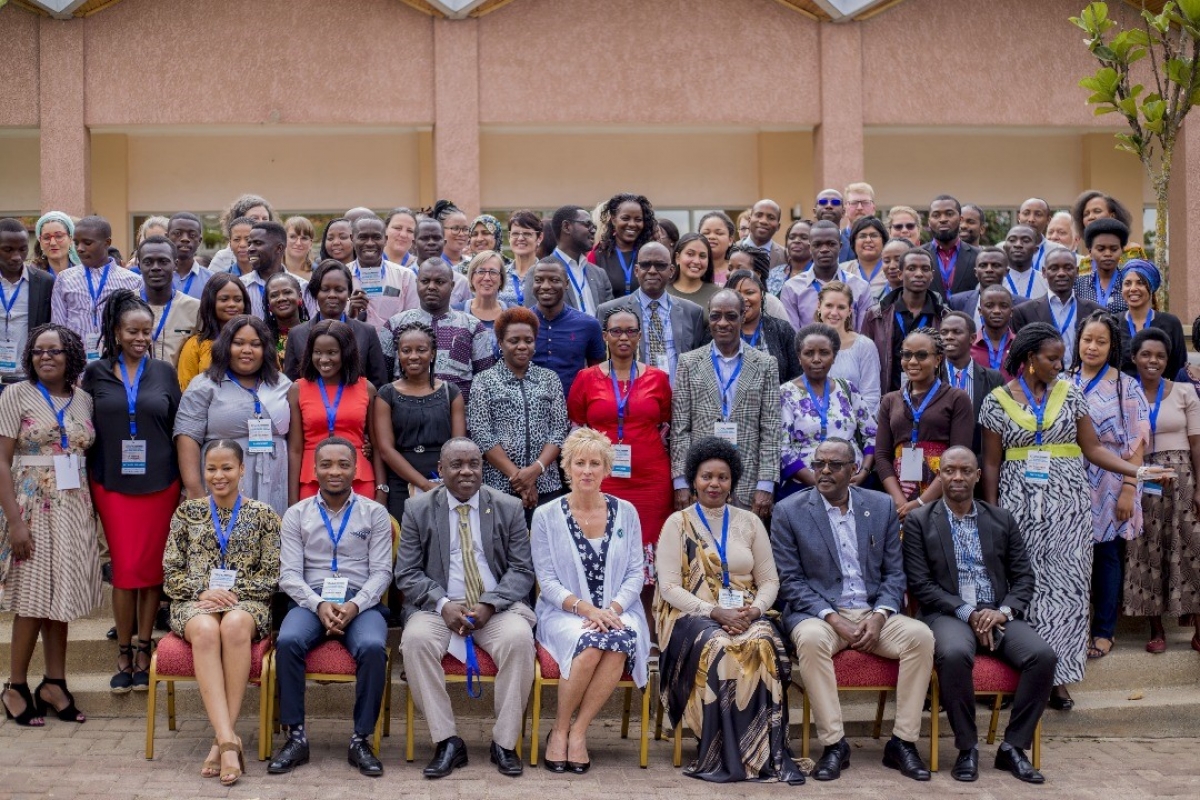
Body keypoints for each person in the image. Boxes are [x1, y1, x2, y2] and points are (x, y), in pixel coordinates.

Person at [980, 323, 1171, 711]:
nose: (1060, 366)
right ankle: (1017, 678)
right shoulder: (996, 400)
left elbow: (1094, 449)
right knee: (1022, 591)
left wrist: (1137, 473)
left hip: (1068, 505)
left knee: (1066, 594)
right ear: (1030, 359)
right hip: (1019, 506)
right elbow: (990, 463)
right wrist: (993, 512)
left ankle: (1059, 680)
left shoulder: (1071, 396)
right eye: (1052, 359)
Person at [773, 437, 935, 782]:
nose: (824, 471)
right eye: (819, 464)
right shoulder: (789, 511)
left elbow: (895, 572)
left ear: (853, 470)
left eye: (834, 465)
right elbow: (790, 582)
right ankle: (834, 745)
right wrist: (833, 619)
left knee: (921, 636)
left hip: (873, 612)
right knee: (812, 640)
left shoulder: (880, 507)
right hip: (819, 614)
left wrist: (880, 616)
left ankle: (903, 742)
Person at [902, 446, 1057, 784]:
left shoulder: (1000, 518)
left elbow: (1024, 577)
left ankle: (1013, 748)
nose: (957, 477)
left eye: (964, 470)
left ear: (977, 475)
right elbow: (921, 584)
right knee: (954, 654)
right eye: (949, 470)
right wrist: (970, 613)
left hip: (998, 614)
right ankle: (967, 747)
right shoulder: (918, 521)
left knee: (1042, 657)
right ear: (939, 475)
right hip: (947, 613)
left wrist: (1001, 612)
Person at [654, 437, 804, 784]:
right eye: (707, 476)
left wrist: (755, 612)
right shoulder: (676, 524)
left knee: (763, 643)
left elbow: (769, 581)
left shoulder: (750, 522)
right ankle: (722, 749)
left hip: (745, 612)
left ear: (732, 481)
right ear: (694, 479)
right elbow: (669, 588)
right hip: (690, 615)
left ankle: (760, 750)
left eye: (722, 477)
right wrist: (714, 612)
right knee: (720, 646)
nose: (714, 484)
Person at [395, 438, 537, 779]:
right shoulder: (419, 509)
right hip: (438, 607)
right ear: (441, 470)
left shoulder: (507, 506)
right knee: (414, 642)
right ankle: (447, 741)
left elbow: (521, 571)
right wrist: (443, 604)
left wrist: (490, 604)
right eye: (456, 464)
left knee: (519, 640)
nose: (466, 471)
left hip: (495, 608)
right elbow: (407, 573)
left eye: (474, 463)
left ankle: (504, 743)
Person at [268, 436, 393, 778]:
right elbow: (289, 575)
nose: (334, 471)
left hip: (360, 600)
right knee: (289, 641)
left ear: (356, 469)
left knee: (371, 647)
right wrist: (319, 603)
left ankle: (360, 739)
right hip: (311, 599)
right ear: (314, 470)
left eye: (342, 464)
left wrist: (353, 605)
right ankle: (296, 738)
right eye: (326, 464)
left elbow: (382, 572)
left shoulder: (375, 514)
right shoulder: (296, 515)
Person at [161, 440, 281, 786]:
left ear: (242, 469)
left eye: (227, 467)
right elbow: (170, 572)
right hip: (194, 601)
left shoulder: (263, 515)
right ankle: (229, 739)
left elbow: (272, 575)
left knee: (234, 625)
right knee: (206, 630)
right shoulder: (187, 513)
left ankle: (221, 742)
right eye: (211, 468)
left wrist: (233, 594)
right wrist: (203, 590)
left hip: (247, 602)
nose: (219, 475)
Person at [531, 428, 651, 772]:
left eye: (595, 463)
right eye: (579, 463)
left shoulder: (626, 511)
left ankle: (577, 732)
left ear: (606, 469)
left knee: (618, 640)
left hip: (619, 611)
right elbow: (547, 581)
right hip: (564, 612)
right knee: (591, 644)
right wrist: (587, 610)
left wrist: (610, 610)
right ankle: (559, 729)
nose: (587, 470)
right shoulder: (546, 515)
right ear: (566, 468)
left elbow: (634, 572)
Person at [82, 290, 181, 693]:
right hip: (112, 482)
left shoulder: (164, 372)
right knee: (125, 571)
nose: (141, 337)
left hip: (161, 480)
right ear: (116, 332)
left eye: (147, 331)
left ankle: (145, 648)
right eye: (132, 331)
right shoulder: (95, 373)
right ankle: (123, 650)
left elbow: (179, 427)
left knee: (152, 569)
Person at [0, 324, 98, 727]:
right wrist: (14, 522)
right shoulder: (15, 395)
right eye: (38, 351)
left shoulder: (84, 400)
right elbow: (1, 461)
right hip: (30, 508)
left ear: (70, 355)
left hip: (74, 507)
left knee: (63, 601)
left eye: (54, 351)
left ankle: (54, 683)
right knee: (32, 599)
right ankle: (15, 686)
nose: (46, 357)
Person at [567, 308, 673, 605]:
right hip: (603, 479)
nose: (623, 337)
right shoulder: (585, 378)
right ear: (605, 337)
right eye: (616, 331)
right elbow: (577, 426)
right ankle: (607, 616)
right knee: (607, 542)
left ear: (639, 336)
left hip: (651, 480)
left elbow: (665, 424)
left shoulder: (658, 378)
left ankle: (650, 633)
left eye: (630, 331)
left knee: (648, 549)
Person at [1071, 311, 1148, 659]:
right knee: (1071, 557)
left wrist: (1130, 487)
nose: (1093, 346)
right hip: (1069, 480)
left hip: (1111, 482)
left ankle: (1103, 631)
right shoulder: (1063, 380)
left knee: (1106, 555)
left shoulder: (1125, 385)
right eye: (1088, 339)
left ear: (1113, 345)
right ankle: (1071, 628)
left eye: (1101, 341)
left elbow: (1138, 442)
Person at [671, 290, 781, 519]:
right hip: (700, 482)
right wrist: (682, 481)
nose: (722, 323)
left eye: (731, 316)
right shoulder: (689, 363)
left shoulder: (765, 364)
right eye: (715, 316)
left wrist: (766, 484)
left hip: (749, 483)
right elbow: (680, 429)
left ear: (743, 317)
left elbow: (771, 429)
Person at [1125, 328, 1200, 653]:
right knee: (1148, 550)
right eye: (1146, 354)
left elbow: (1198, 444)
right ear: (1134, 358)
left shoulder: (1184, 392)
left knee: (1192, 549)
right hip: (1145, 478)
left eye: (1160, 356)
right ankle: (1156, 629)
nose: (1152, 360)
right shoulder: (1126, 393)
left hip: (1183, 477)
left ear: (1168, 360)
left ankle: (1198, 627)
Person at [175, 315, 292, 514]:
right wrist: (194, 490)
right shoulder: (205, 385)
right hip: (222, 483)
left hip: (274, 483)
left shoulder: (281, 384)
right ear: (225, 346)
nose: (247, 350)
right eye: (238, 343)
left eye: (256, 344)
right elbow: (187, 437)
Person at [468, 307, 568, 516]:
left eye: (528, 340)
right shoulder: (484, 381)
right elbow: (481, 433)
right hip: (499, 488)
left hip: (547, 486)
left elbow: (559, 430)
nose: (522, 346)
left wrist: (535, 470)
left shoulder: (549, 379)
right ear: (500, 343)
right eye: (514, 341)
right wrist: (519, 478)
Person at [875, 327, 974, 519]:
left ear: (938, 360)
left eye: (921, 355)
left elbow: (959, 456)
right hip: (901, 492)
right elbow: (881, 455)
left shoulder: (957, 398)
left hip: (943, 489)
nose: (912, 362)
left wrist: (922, 502)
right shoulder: (890, 400)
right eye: (907, 355)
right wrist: (900, 501)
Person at [373, 320, 466, 522]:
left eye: (421, 350)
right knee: (407, 543)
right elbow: (385, 450)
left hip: (445, 480)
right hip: (401, 481)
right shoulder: (386, 394)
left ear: (432, 354)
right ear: (398, 354)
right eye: (406, 350)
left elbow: (458, 446)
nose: (413, 356)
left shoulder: (451, 393)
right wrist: (424, 485)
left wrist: (442, 483)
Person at [379, 258, 495, 404]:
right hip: (405, 417)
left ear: (452, 285)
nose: (431, 287)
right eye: (425, 281)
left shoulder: (473, 326)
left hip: (457, 419)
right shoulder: (394, 325)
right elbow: (383, 380)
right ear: (417, 283)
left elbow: (485, 381)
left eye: (439, 282)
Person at [286, 319, 377, 505]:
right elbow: (295, 449)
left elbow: (377, 446)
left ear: (346, 353)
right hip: (311, 477)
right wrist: (292, 498)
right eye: (317, 352)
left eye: (332, 353)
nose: (324, 359)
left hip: (359, 476)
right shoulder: (298, 389)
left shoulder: (366, 388)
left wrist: (382, 489)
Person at [779, 325, 876, 498]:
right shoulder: (785, 393)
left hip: (853, 484)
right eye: (809, 353)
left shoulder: (847, 389)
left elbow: (872, 435)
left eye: (824, 352)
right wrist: (819, 484)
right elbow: (783, 448)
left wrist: (865, 471)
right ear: (799, 358)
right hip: (804, 488)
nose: (816, 359)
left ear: (834, 357)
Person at [595, 242, 708, 385]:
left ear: (671, 271)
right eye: (645, 265)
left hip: (678, 400)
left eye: (660, 265)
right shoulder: (609, 311)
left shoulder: (692, 311)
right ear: (636, 270)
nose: (652, 270)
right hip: (630, 398)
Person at [282, 260, 390, 389]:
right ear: (316, 292)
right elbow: (290, 384)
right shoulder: (297, 334)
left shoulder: (367, 332)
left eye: (339, 290)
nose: (332, 295)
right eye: (325, 289)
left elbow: (379, 384)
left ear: (349, 293)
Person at [51, 215, 142, 362]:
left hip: (115, 365)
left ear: (107, 243)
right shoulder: (64, 279)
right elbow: (58, 328)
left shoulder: (132, 281)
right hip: (76, 366)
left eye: (87, 243)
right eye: (76, 243)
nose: (80, 249)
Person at [862, 247, 949, 393]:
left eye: (925, 269)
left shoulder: (944, 317)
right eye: (912, 268)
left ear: (932, 275)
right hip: (888, 397)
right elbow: (864, 360)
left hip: (933, 399)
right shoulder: (876, 315)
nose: (919, 274)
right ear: (900, 274)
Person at [1012, 245, 1102, 370]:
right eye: (1054, 268)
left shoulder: (1095, 312)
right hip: (1042, 383)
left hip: (1084, 382)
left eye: (1068, 268)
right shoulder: (1024, 312)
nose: (1061, 273)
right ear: (1044, 272)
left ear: (1077, 272)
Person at [529, 258, 605, 398]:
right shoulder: (520, 322)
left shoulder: (588, 325)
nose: (545, 286)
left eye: (554, 280)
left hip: (572, 410)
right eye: (539, 280)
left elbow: (597, 374)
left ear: (567, 284)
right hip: (527, 411)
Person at [519, 206, 612, 317]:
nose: (593, 230)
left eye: (594, 226)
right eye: (587, 224)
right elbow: (534, 319)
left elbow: (609, 318)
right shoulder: (537, 272)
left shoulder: (599, 274)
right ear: (567, 227)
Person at [780, 220, 872, 331]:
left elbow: (864, 334)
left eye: (831, 244)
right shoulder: (792, 288)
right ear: (810, 248)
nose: (824, 250)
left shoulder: (860, 287)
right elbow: (792, 336)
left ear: (840, 246)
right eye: (817, 245)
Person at [939, 311, 1004, 456]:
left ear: (972, 338)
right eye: (944, 332)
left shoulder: (993, 379)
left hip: (977, 462)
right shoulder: (930, 376)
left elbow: (996, 428)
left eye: (957, 332)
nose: (949, 337)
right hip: (937, 462)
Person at [0, 218, 54, 388]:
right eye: (8, 250)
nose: (16, 257)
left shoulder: (44, 282)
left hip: (28, 380)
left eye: (22, 249)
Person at [176, 273, 252, 391]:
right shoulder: (196, 345)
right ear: (211, 302)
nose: (232, 304)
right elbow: (186, 391)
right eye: (224, 299)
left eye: (238, 300)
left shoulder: (259, 341)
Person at [726, 269, 800, 382]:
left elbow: (797, 376)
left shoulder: (783, 330)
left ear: (761, 294)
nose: (743, 298)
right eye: (737, 293)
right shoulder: (718, 331)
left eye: (750, 292)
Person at [1118, 259, 1187, 381]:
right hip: (1122, 396)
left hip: (1162, 397)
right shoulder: (1113, 323)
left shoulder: (1171, 323)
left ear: (1151, 287)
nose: (1133, 288)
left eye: (1140, 283)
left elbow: (1180, 369)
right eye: (1127, 283)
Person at [137, 235, 200, 368]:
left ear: (175, 264)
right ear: (139, 265)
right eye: (148, 262)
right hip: (133, 387)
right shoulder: (125, 306)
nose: (155, 267)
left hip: (180, 387)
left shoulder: (195, 309)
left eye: (163, 261)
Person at [819, 281, 881, 414]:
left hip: (854, 429)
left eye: (841, 307)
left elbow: (871, 397)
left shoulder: (864, 346)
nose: (834, 312)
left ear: (849, 311)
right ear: (819, 307)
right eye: (829, 305)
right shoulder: (805, 345)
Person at [346, 215, 419, 327]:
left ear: (385, 239)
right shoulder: (341, 276)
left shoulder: (405, 276)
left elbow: (413, 320)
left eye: (376, 237)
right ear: (352, 239)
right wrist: (350, 314)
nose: (370, 243)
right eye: (363, 237)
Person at [244, 221, 317, 320]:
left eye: (258, 243)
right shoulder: (241, 287)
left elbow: (312, 327)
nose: (250, 249)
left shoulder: (302, 287)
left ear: (279, 248)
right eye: (249, 244)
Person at [590, 193, 656, 298]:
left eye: (638, 220)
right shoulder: (598, 254)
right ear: (613, 219)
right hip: (608, 313)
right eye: (625, 218)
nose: (632, 224)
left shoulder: (652, 254)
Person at [1071, 190, 1147, 268]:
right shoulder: (1085, 262)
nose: (1090, 217)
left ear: (1112, 216)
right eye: (1086, 214)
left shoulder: (1132, 251)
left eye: (1097, 211)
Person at [923, 194, 979, 298]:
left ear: (960, 219)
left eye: (949, 214)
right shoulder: (917, 255)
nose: (943, 219)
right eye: (936, 215)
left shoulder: (978, 256)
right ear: (929, 222)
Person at [1074, 218, 1130, 315]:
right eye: (1101, 249)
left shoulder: (1130, 285)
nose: (1107, 254)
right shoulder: (1078, 285)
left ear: (1122, 251)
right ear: (1090, 252)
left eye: (1114, 249)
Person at [209, 195, 274, 274]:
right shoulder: (223, 257)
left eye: (265, 219)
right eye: (254, 218)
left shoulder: (276, 251)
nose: (260, 222)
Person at [970, 285, 1017, 380]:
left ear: (1011, 312)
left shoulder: (1021, 346)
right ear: (980, 311)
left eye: (1003, 306)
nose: (996, 311)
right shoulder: (968, 347)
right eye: (989, 306)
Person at [262, 272, 309, 366]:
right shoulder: (262, 336)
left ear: (299, 297)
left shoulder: (313, 331)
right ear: (268, 303)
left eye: (287, 292)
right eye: (274, 295)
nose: (281, 298)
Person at [166, 212, 214, 300]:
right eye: (177, 233)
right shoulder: (154, 277)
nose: (185, 238)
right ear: (167, 237)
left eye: (192, 235)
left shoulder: (211, 281)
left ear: (199, 240)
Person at [666, 233, 721, 310]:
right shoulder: (661, 291)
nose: (696, 261)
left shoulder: (718, 295)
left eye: (702, 256)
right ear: (677, 257)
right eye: (690, 254)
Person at [499, 210, 541, 307]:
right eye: (515, 233)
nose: (520, 238)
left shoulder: (547, 274)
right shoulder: (499, 274)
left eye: (527, 233)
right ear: (509, 237)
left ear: (539, 238)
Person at [841, 217, 890, 297]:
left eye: (874, 235)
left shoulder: (892, 269)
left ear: (883, 241)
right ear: (854, 242)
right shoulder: (842, 270)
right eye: (862, 236)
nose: (868, 240)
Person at [460, 250, 507, 329]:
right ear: (472, 277)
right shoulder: (457, 312)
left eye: (493, 272)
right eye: (481, 271)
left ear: (501, 279)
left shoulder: (514, 314)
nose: (487, 278)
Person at [1001, 225, 1049, 302]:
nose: (1018, 245)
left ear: (1035, 249)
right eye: (1012, 240)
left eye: (1026, 241)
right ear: (1004, 247)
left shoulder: (1046, 283)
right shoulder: (994, 281)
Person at [768, 219, 812, 296]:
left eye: (804, 237)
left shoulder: (821, 274)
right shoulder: (774, 273)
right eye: (792, 237)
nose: (796, 241)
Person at [740, 199, 787, 269]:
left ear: (778, 226)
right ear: (749, 221)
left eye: (771, 218)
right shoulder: (730, 251)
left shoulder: (786, 256)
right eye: (759, 215)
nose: (763, 221)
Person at [697, 211, 736, 290]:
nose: (711, 237)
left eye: (719, 233)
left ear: (730, 240)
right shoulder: (691, 268)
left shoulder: (737, 270)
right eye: (706, 233)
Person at [814, 188, 855, 262]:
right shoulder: (804, 245)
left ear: (843, 213)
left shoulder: (854, 245)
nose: (829, 206)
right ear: (814, 212)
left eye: (835, 202)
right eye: (823, 202)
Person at [433, 200, 471, 271]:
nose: (461, 234)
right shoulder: (431, 265)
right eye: (455, 228)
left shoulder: (472, 264)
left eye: (465, 229)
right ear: (440, 231)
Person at [1017, 198, 1052, 272]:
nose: (1031, 219)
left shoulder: (1057, 251)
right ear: (1019, 217)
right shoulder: (1003, 250)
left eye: (1038, 214)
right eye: (1026, 213)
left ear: (1048, 220)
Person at [283, 216, 317, 280]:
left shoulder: (319, 274)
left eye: (304, 238)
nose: (298, 243)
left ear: (311, 244)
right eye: (293, 237)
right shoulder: (271, 270)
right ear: (283, 239)